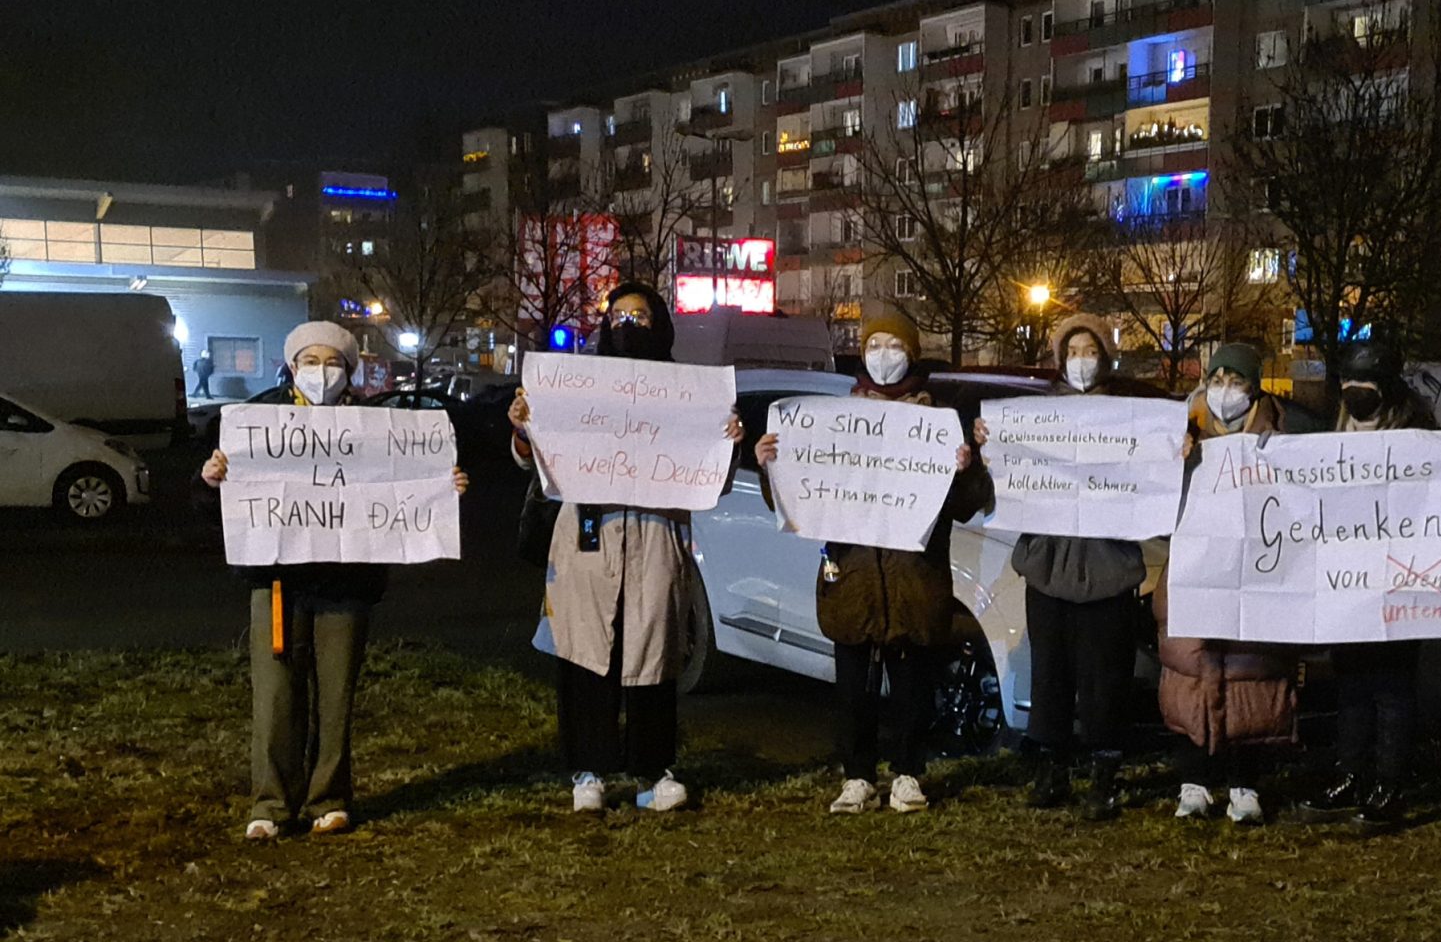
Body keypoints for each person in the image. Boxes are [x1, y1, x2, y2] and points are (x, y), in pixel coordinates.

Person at [200, 320, 467, 842]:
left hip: (347, 584)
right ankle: (271, 803)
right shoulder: (258, 421)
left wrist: (442, 485)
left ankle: (330, 798)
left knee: (336, 695)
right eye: (310, 362)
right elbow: (215, 505)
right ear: (292, 366)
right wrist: (212, 482)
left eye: (333, 364)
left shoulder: (378, 427)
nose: (321, 373)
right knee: (276, 697)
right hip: (277, 581)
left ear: (349, 371)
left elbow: (407, 485)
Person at [509, 282, 740, 815]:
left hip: (656, 545)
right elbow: (532, 460)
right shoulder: (577, 387)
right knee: (586, 657)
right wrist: (524, 429)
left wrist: (725, 440)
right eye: (618, 316)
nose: (628, 324)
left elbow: (713, 482)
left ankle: (652, 769)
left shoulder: (688, 394)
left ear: (659, 324)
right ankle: (588, 769)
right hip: (589, 544)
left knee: (653, 658)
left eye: (639, 316)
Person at [759, 307, 985, 817]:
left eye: (894, 345)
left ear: (912, 352)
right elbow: (794, 502)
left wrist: (964, 471)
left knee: (912, 687)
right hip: (853, 580)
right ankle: (857, 776)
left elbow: (969, 504)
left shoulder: (940, 422)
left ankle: (908, 772)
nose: (884, 356)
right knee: (853, 690)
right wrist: (772, 463)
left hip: (914, 581)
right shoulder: (832, 420)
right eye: (874, 345)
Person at [1003, 315, 1145, 821]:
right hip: (1048, 567)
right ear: (1060, 360)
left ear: (1104, 359)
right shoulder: (1034, 417)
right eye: (1073, 351)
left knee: (1105, 681)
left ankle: (1103, 776)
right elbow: (1001, 479)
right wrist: (989, 445)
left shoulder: (1132, 419)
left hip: (1108, 570)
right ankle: (1053, 769)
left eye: (1090, 351)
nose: (1081, 360)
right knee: (1051, 677)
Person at [1296, 338, 1436, 833]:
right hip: (1347, 579)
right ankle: (1350, 774)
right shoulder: (1332, 435)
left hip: (1401, 579)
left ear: (1387, 388)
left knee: (1392, 688)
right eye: (1348, 386)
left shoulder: (1419, 437)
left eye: (1365, 386)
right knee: (1351, 683)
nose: (1355, 394)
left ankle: (1389, 783)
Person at [1160, 340, 1293, 824]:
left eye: (1235, 382)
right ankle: (1193, 781)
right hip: (1193, 575)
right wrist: (1175, 461)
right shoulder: (1182, 436)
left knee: (1249, 677)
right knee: (1192, 675)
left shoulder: (1282, 439)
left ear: (1254, 388)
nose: (1224, 391)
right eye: (1216, 380)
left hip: (1256, 577)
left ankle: (1245, 783)